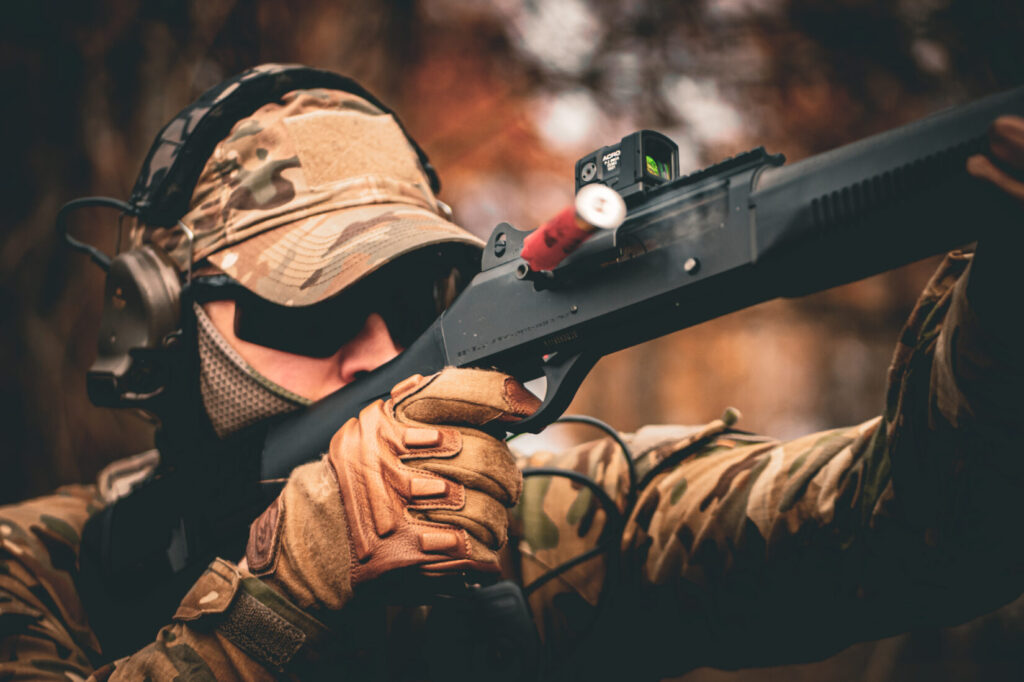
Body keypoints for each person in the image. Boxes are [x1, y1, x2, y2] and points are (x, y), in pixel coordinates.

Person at [1, 64, 1023, 681]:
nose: (372, 355)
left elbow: (913, 534)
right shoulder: (36, 569)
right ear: (165, 337)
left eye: (406, 308)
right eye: (295, 310)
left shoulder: (551, 530)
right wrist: (275, 602)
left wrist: (1004, 322)